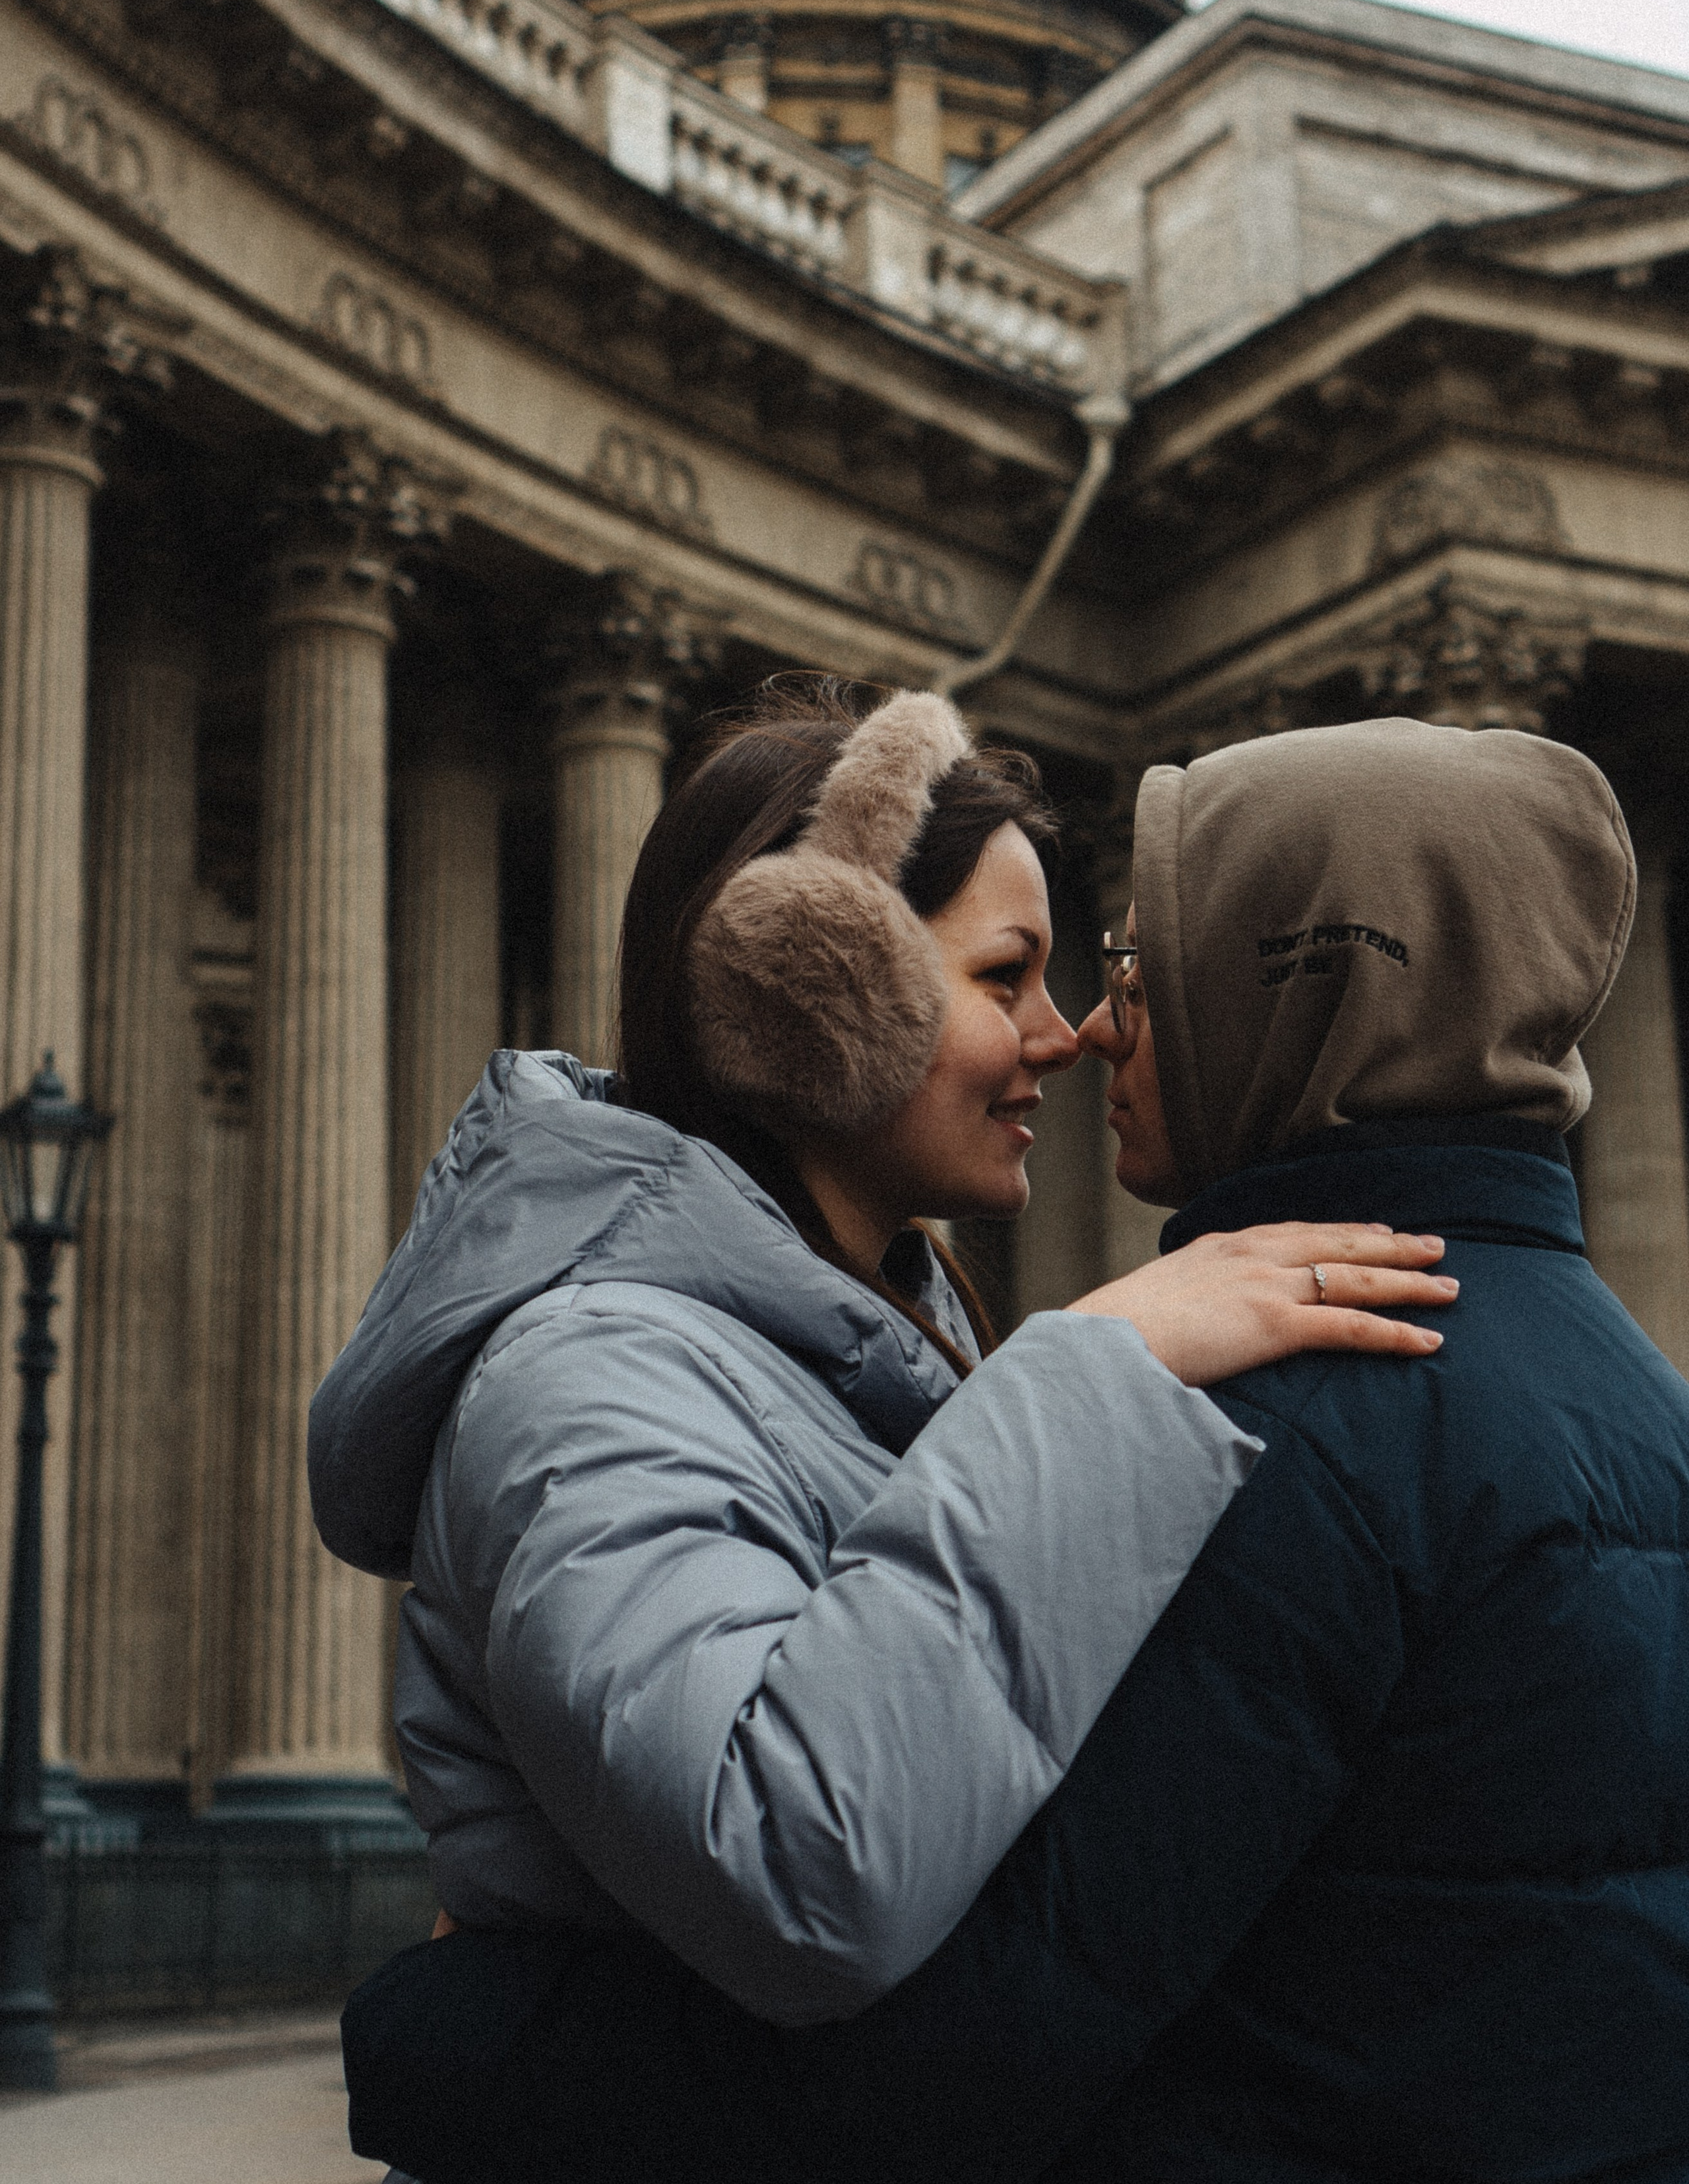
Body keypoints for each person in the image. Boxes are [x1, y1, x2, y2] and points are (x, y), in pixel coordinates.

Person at [312, 681, 1451, 2183]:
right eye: (1006, 977)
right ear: (813, 995)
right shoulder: (585, 1373)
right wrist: (1096, 1374)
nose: (1069, 1037)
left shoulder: (870, 1351)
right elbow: (797, 1864)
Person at [1031, 715, 1689, 2179]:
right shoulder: (1651, 1409)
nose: (1087, 1027)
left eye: (1137, 968)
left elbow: (1026, 2013)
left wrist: (469, 2035)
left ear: (1296, 978)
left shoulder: (1273, 1426)